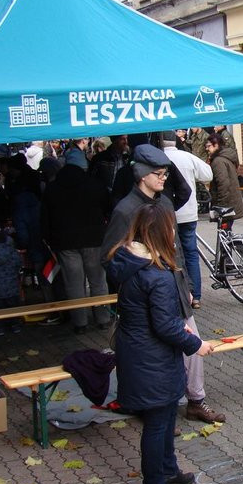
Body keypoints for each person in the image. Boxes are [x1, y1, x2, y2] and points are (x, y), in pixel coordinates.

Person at [101, 145, 225, 424]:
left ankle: (196, 401)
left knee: (193, 346)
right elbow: (109, 260)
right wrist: (139, 266)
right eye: (158, 173)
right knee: (152, 356)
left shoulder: (166, 202)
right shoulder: (125, 210)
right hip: (143, 297)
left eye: (166, 173)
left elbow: (177, 248)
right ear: (141, 175)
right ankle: (154, 412)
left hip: (175, 288)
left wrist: (187, 283)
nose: (164, 178)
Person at [106, 204, 214, 484]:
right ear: (161, 233)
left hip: (143, 354)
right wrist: (197, 345)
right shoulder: (155, 274)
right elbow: (166, 325)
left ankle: (168, 470)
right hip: (149, 358)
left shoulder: (131, 262)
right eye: (171, 228)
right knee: (156, 423)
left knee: (166, 416)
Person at [41, 163, 112, 335]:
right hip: (94, 239)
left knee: (74, 283)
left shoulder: (51, 189)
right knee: (98, 281)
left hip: (65, 243)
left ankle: (80, 323)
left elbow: (44, 218)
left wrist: (50, 240)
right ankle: (103, 319)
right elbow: (109, 209)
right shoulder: (94, 185)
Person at [162, 131, 213, 309]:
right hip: (189, 212)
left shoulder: (159, 159)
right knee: (191, 253)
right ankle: (196, 296)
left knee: (172, 254)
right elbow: (208, 174)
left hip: (168, 214)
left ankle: (180, 295)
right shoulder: (187, 156)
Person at [205, 133, 243, 230]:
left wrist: (220, 206)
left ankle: (230, 245)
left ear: (216, 145)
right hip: (231, 202)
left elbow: (223, 184)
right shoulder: (225, 157)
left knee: (224, 234)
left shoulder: (218, 161)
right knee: (226, 234)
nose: (207, 149)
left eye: (209, 146)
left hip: (226, 206)